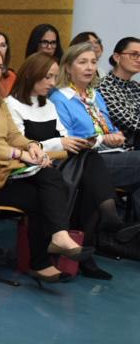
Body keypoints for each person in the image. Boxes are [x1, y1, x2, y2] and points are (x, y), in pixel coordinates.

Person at [0, 46, 90, 283]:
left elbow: (13, 135)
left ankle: (57, 239)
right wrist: (17, 154)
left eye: (0, 66)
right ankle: (42, 259)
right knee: (40, 195)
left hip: (0, 170)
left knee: (50, 177)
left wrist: (32, 145)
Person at [6, 52, 125, 279]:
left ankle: (101, 221)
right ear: (31, 76)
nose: (52, 83)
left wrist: (74, 143)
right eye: (47, 78)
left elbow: (62, 135)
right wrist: (60, 143)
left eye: (53, 77)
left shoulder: (49, 104)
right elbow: (21, 144)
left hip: (57, 161)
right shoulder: (11, 105)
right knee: (88, 167)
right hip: (29, 167)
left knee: (89, 161)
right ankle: (108, 214)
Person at [49, 42, 140, 221]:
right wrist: (104, 139)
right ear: (67, 67)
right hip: (85, 161)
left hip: (113, 153)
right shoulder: (59, 98)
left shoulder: (94, 95)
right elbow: (67, 140)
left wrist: (117, 136)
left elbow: (110, 128)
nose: (90, 67)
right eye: (82, 62)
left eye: (93, 62)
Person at [95, 36, 140, 147]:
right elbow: (132, 122)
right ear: (117, 57)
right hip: (119, 149)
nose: (139, 59)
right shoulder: (103, 86)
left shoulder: (136, 87)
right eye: (134, 55)